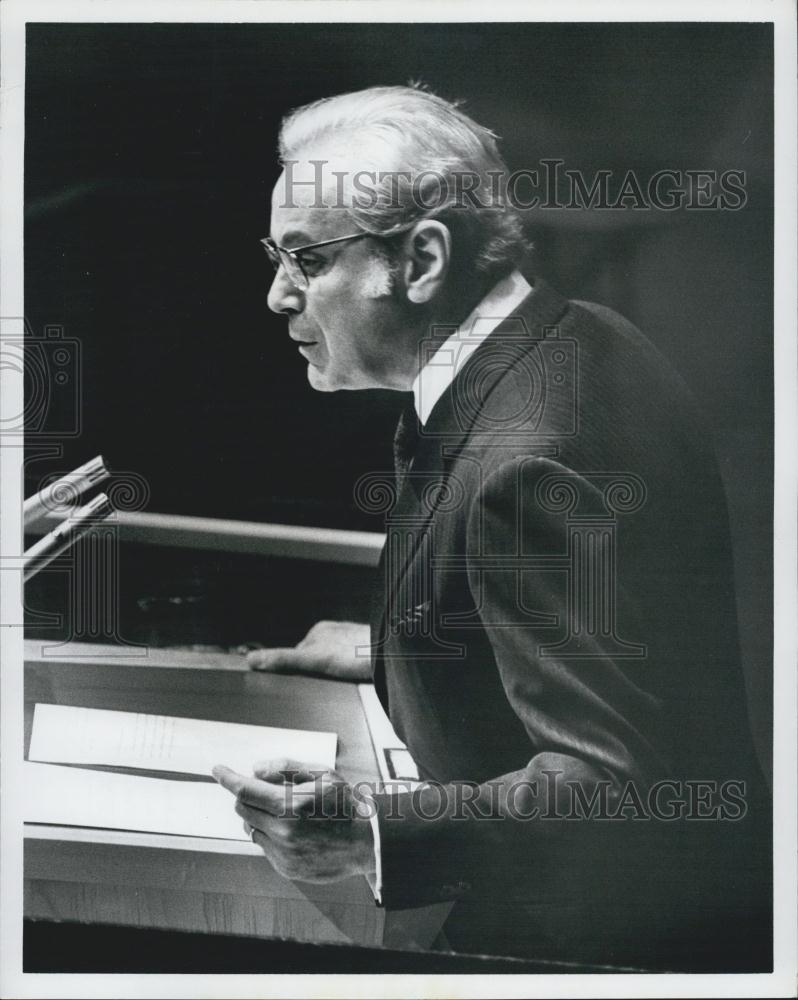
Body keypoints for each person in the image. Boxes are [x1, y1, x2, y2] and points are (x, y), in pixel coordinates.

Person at [213, 85, 770, 970]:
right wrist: (414, 644)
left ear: (422, 261)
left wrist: (370, 834)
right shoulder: (579, 339)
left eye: (306, 260)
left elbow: (615, 790)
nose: (279, 296)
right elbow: (618, 643)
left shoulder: (530, 461)